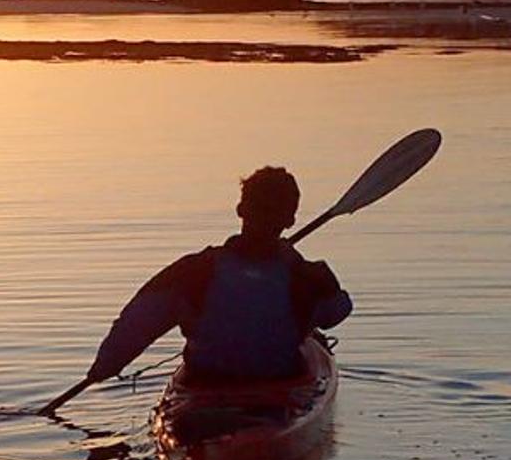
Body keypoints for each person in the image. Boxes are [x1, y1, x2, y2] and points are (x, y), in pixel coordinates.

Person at [81, 166, 353, 388]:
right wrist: (331, 284)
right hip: (277, 388)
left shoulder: (192, 271)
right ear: (290, 219)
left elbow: (137, 322)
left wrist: (103, 368)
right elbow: (337, 312)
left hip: (206, 386)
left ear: (241, 209)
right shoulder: (308, 277)